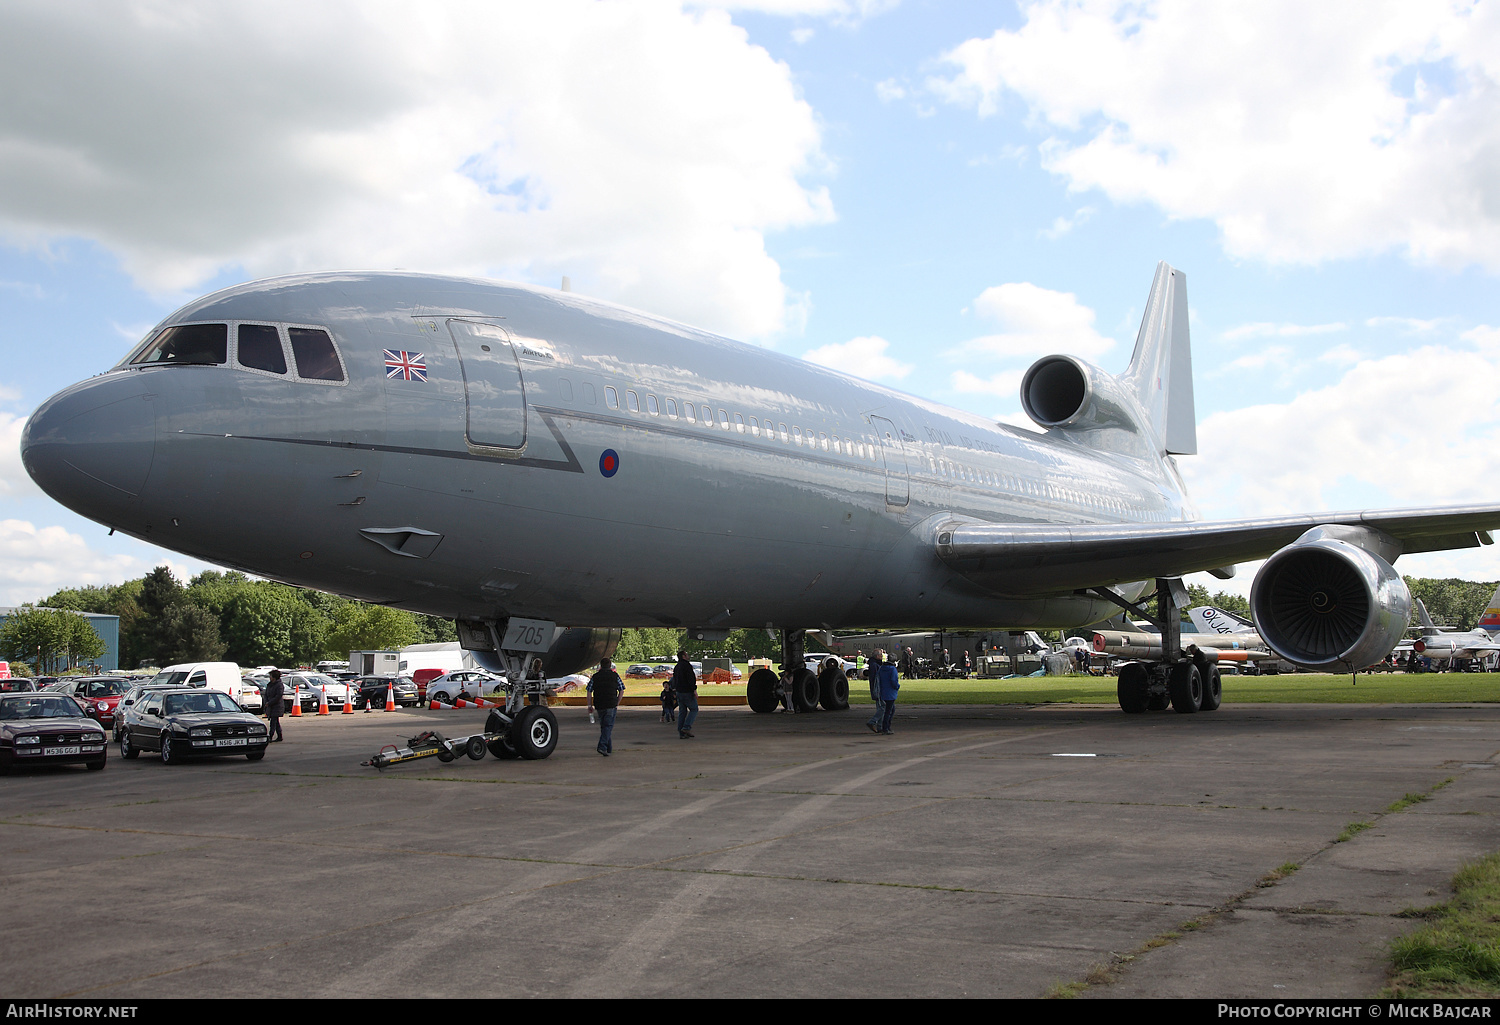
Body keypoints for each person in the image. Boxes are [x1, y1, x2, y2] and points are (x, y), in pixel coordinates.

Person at [586, 658, 625, 756]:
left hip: (599, 704)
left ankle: (608, 749)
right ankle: (602, 746)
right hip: (611, 704)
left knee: (604, 726)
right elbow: (621, 689)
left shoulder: (595, 677)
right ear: (610, 665)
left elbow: (589, 691)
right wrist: (617, 702)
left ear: (601, 665)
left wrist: (590, 705)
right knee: (608, 726)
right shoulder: (615, 676)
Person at [671, 649, 698, 738]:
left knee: (682, 712)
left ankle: (681, 733)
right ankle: (686, 727)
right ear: (683, 656)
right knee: (694, 709)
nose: (688, 656)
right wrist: (694, 690)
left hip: (679, 692)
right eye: (686, 655)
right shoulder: (687, 666)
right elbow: (691, 679)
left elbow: (674, 679)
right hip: (687, 692)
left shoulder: (677, 667)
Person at [875, 650, 901, 735]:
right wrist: (897, 686)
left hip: (883, 691)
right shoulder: (892, 669)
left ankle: (884, 727)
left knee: (888, 710)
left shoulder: (882, 668)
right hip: (891, 692)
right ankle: (886, 727)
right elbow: (894, 681)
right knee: (889, 711)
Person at [866, 649, 890, 734]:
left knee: (880, 707)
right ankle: (873, 721)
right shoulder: (875, 665)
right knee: (883, 707)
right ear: (877, 656)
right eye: (881, 656)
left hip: (878, 689)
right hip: (878, 689)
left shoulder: (874, 664)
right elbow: (876, 679)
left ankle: (880, 727)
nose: (882, 657)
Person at [263, 669, 285, 742]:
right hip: (270, 706)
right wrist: (266, 702)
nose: (269, 677)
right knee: (276, 722)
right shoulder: (269, 685)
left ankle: (270, 736)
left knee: (273, 722)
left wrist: (270, 702)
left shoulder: (279, 685)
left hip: (276, 706)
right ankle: (279, 736)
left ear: (274, 677)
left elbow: (278, 696)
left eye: (270, 676)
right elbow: (266, 694)